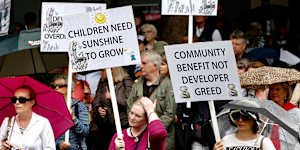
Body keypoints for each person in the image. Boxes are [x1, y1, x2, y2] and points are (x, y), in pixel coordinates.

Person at [127, 50, 176, 150]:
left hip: (161, 142)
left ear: (155, 65)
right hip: (138, 139)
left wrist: (152, 129)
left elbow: (169, 114)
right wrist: (137, 125)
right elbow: (129, 106)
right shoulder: (137, 84)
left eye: (144, 63)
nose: (140, 66)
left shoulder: (168, 85)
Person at [90, 67, 133, 150]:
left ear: (112, 69)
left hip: (124, 124)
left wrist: (113, 97)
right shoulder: (103, 82)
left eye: (103, 70)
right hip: (107, 125)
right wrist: (99, 108)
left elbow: (129, 101)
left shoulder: (126, 80)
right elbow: (96, 100)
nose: (100, 72)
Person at [0, 85, 55, 150]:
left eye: (22, 100)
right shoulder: (7, 122)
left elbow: (50, 148)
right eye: (14, 100)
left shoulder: (43, 123)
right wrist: (3, 148)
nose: (17, 103)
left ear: (32, 102)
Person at [52, 75, 89, 150]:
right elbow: (49, 134)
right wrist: (59, 144)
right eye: (54, 86)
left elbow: (85, 132)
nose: (56, 88)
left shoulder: (79, 106)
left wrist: (73, 118)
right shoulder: (52, 108)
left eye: (60, 85)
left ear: (69, 87)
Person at [268, 82, 300, 150]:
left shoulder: (295, 112)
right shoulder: (267, 110)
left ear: (285, 92)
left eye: (277, 89)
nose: (274, 92)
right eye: (271, 89)